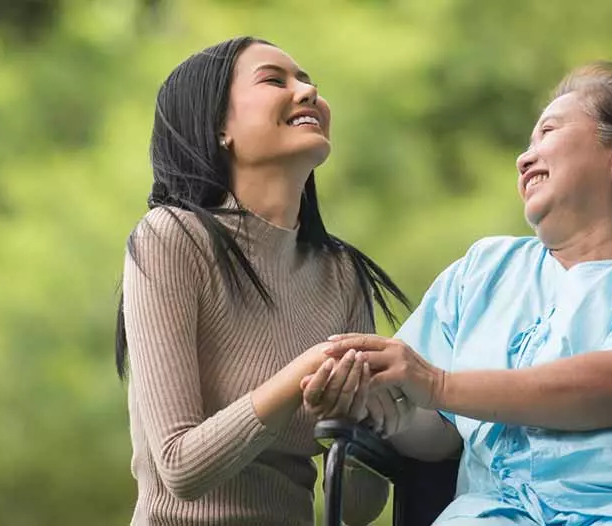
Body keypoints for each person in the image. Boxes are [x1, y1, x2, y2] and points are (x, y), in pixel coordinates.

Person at [323, 61, 612, 525]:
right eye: (527, 144)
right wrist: (381, 406)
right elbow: (437, 435)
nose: (524, 158)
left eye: (547, 132)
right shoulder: (482, 271)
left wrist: (438, 385)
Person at [116, 36, 408, 525]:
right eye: (275, 80)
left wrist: (362, 416)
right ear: (218, 127)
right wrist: (302, 375)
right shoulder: (171, 238)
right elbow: (180, 468)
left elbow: (356, 510)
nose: (308, 91)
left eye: (308, 80)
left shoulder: (342, 274)